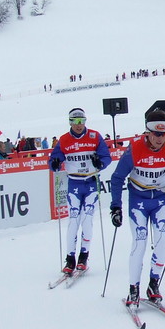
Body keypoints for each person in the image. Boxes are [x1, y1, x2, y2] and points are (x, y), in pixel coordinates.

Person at [110, 109, 165, 307]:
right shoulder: (135, 149)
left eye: (163, 134)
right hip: (139, 200)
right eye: (155, 133)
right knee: (139, 243)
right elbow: (117, 177)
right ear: (147, 132)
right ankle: (133, 288)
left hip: (162, 199)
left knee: (163, 241)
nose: (159, 139)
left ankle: (153, 284)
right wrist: (116, 207)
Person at [49, 108, 112, 276]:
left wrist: (100, 163)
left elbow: (107, 157)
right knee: (73, 219)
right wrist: (55, 164)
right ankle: (70, 259)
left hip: (91, 183)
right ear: (69, 122)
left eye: (81, 121)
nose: (78, 125)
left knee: (87, 219)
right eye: (75, 121)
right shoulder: (64, 140)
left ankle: (84, 256)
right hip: (74, 183)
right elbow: (53, 160)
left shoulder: (94, 136)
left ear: (85, 121)